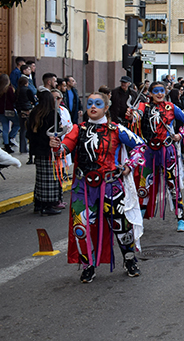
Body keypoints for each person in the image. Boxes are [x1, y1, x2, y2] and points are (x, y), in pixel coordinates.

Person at [50, 92, 146, 283]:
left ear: (106, 107)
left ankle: (129, 261)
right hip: (83, 188)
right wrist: (56, 147)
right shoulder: (79, 128)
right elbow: (65, 148)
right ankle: (88, 265)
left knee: (121, 226)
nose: (93, 107)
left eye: (98, 103)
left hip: (111, 186)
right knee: (81, 227)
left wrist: (128, 166)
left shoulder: (116, 129)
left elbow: (140, 146)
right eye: (90, 103)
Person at [131, 81, 184, 232]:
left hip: (167, 151)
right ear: (150, 93)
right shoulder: (143, 106)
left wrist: (181, 134)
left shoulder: (171, 107)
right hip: (149, 152)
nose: (159, 93)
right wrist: (131, 115)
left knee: (173, 185)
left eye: (162, 91)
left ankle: (181, 219)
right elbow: (135, 116)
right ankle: (138, 221)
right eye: (156, 91)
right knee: (143, 185)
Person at [27, 91, 65, 215]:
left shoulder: (34, 112)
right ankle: (47, 205)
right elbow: (57, 131)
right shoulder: (52, 114)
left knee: (40, 178)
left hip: (37, 150)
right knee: (50, 178)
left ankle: (38, 203)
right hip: (48, 150)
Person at [0, 74, 19, 153]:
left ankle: (6, 144)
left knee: (5, 128)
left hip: (0, 111)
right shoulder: (9, 89)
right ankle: (10, 137)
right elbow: (13, 99)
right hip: (9, 110)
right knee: (18, 123)